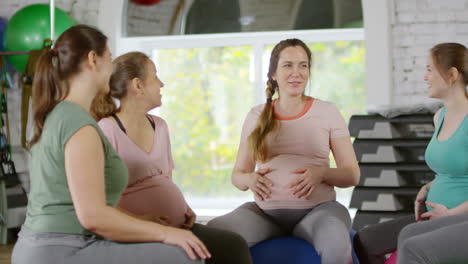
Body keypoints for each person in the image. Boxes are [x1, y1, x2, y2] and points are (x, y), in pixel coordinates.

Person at [12, 25, 210, 264]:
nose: (112, 69)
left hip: (48, 246)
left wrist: (142, 223)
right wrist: (168, 233)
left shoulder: (62, 115)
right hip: (62, 249)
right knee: (184, 255)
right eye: (110, 59)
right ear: (93, 59)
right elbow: (93, 216)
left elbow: (88, 206)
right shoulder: (79, 125)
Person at [206, 38, 361, 264]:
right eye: (288, 65)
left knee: (337, 245)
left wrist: (321, 173)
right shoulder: (256, 115)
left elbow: (351, 174)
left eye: (303, 65)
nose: (296, 72)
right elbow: (237, 176)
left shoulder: (327, 111)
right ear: (273, 73)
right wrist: (250, 179)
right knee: (215, 232)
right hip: (264, 215)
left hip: (317, 211)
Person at [92, 51, 252, 264]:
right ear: (138, 85)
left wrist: (184, 208)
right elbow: (99, 199)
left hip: (178, 226)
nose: (162, 83)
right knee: (188, 257)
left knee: (233, 245)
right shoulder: (107, 129)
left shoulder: (160, 126)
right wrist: (140, 220)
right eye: (155, 76)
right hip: (140, 232)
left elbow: (166, 179)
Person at [354, 42, 468, 264]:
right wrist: (428, 187)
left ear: (452, 74)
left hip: (459, 218)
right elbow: (450, 168)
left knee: (410, 243)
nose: (425, 77)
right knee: (365, 240)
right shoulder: (439, 117)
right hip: (433, 214)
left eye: (429, 70)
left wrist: (451, 215)